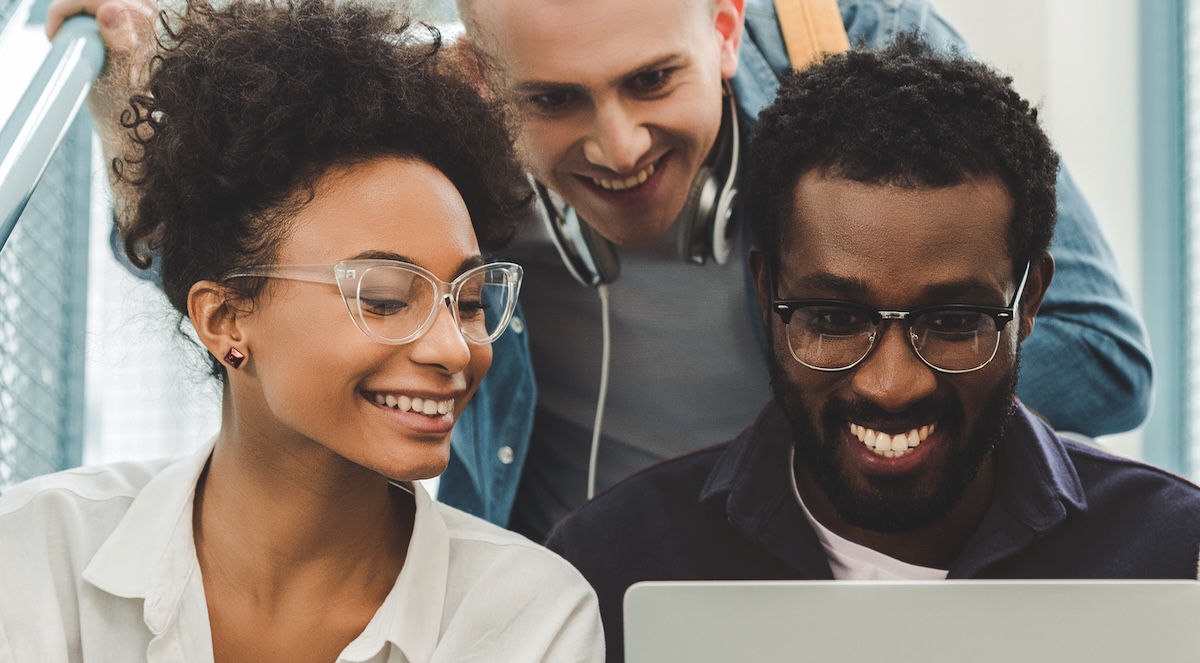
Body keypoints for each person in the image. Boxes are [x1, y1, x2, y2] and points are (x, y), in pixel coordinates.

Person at [543, 37, 1200, 662]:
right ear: (768, 290)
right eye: (834, 317)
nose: (892, 384)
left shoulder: (1175, 549)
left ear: (1028, 305)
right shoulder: (612, 562)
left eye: (952, 320)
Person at [3, 0, 604, 660]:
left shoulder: (533, 619)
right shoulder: (33, 555)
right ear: (224, 318)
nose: (452, 347)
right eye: (382, 297)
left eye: (467, 300)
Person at [442, 0, 1154, 540]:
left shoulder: (857, 47)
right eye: (552, 100)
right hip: (582, 599)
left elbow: (1105, 357)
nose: (619, 149)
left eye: (653, 80)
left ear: (724, 29)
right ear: (483, 77)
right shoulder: (431, 149)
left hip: (826, 574)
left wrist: (846, 372)